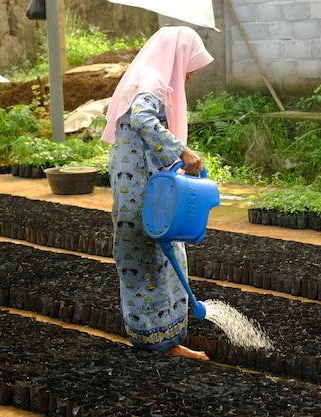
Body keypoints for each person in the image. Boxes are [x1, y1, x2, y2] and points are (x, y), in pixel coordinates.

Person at [101, 26, 213, 360]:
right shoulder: (150, 82)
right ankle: (157, 343)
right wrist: (183, 151)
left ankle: (163, 340)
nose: (190, 73)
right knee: (149, 258)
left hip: (144, 184)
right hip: (139, 189)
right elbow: (143, 119)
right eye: (190, 64)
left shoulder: (147, 79)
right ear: (177, 56)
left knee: (164, 257)